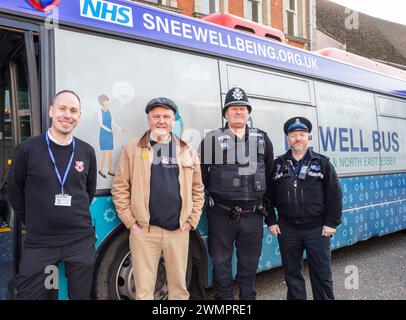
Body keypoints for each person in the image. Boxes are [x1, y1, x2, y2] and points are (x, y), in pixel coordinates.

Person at [7, 90, 97, 300]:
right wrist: (33, 221)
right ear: (51, 111)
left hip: (79, 240)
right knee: (30, 295)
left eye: (73, 110)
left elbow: (88, 191)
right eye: (62, 108)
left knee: (81, 296)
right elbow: (15, 190)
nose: (67, 115)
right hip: (40, 242)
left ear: (79, 116)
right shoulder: (27, 149)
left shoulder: (86, 151)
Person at [112, 97, 204, 300]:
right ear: (148, 120)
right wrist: (131, 223)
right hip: (144, 232)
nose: (161, 121)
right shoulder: (132, 149)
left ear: (173, 120)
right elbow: (120, 188)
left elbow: (198, 189)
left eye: (166, 116)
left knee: (179, 290)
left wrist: (191, 221)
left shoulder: (187, 150)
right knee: (144, 290)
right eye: (156, 116)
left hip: (179, 232)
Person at [199, 86, 274, 300]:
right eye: (233, 108)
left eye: (243, 108)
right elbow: (201, 176)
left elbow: (269, 176)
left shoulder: (262, 139)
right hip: (222, 214)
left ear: (248, 112)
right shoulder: (212, 139)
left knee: (249, 265)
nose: (238, 112)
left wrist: (269, 214)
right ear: (226, 113)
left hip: (253, 215)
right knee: (221, 265)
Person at [266, 116, 343, 300]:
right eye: (293, 135)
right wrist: (271, 220)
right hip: (288, 229)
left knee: (322, 275)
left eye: (302, 134)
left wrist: (331, 223)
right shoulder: (278, 165)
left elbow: (335, 194)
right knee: (292, 275)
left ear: (308, 137)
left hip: (317, 229)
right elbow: (268, 196)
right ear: (288, 139)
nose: (297, 138)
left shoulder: (322, 163)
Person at [97, 94, 125, 178]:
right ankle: (101, 170)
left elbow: (113, 122)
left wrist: (120, 129)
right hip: (104, 134)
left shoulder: (109, 110)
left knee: (110, 154)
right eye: (106, 100)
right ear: (102, 102)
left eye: (108, 100)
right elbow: (101, 125)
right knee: (104, 154)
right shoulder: (99, 111)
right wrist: (110, 130)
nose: (107, 102)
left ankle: (109, 170)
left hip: (110, 134)